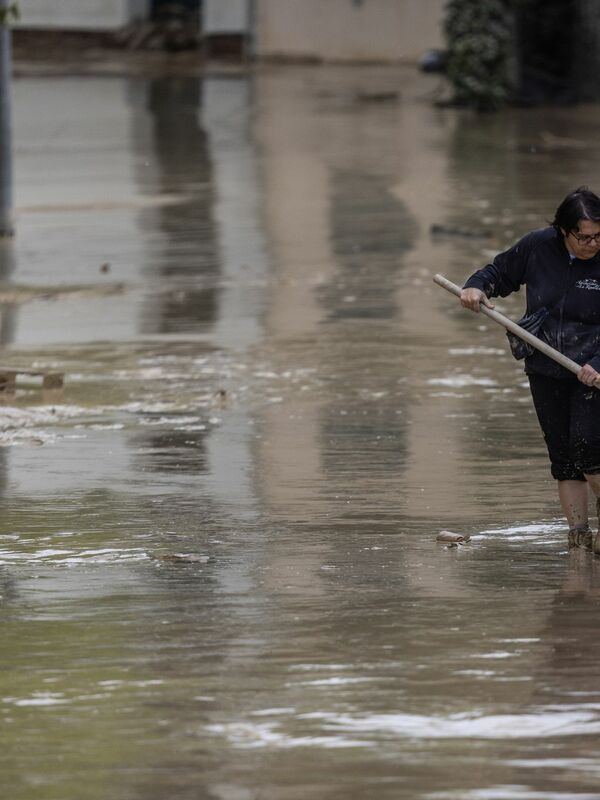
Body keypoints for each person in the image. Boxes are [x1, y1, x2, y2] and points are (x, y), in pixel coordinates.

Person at [460, 186, 600, 552]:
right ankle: (579, 538)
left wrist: (597, 365)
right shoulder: (538, 247)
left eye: (599, 236)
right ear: (562, 231)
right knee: (565, 459)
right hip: (545, 364)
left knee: (590, 449)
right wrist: (477, 287)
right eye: (583, 237)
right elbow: (498, 272)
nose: (592, 244)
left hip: (593, 369)